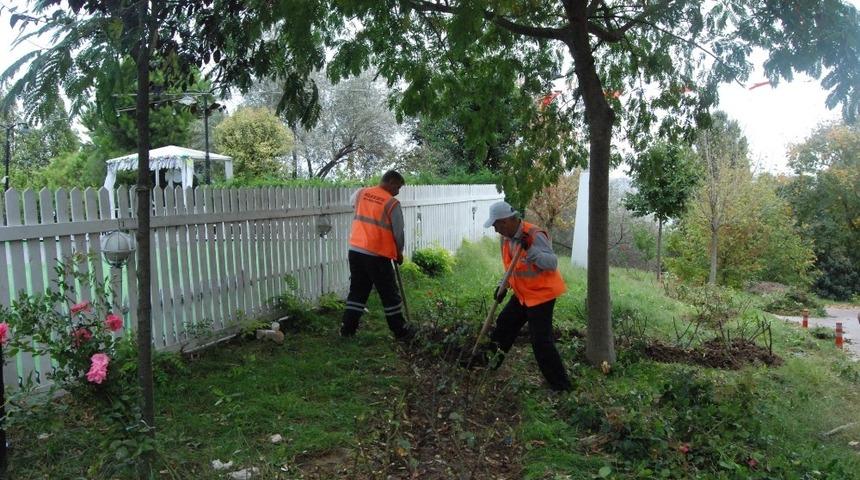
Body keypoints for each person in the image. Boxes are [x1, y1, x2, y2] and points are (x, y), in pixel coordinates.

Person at [479, 200, 571, 392]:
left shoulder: (534, 235)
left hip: (541, 295)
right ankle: (488, 364)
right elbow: (511, 267)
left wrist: (530, 249)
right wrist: (501, 286)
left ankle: (561, 386)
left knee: (541, 341)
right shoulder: (506, 239)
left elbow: (552, 263)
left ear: (506, 221)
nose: (495, 230)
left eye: (496, 225)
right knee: (504, 324)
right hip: (523, 294)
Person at [341, 170, 416, 340]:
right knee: (389, 293)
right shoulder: (392, 203)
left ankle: (347, 329)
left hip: (356, 250)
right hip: (377, 254)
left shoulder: (361, 193)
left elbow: (353, 204)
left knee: (358, 291)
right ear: (390, 181)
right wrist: (399, 253)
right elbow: (398, 233)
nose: (398, 192)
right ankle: (400, 330)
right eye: (398, 187)